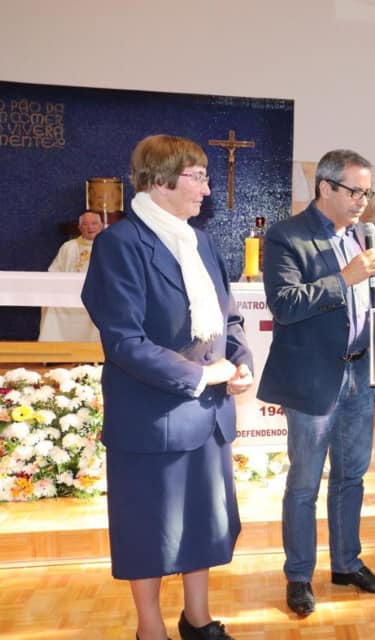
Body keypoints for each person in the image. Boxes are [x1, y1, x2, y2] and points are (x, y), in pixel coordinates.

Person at [81, 134, 254, 640]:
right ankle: (150, 628)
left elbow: (230, 318)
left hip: (207, 417)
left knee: (202, 523)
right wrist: (200, 375)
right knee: (148, 531)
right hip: (151, 416)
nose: (206, 189)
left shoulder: (200, 242)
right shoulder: (120, 245)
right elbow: (124, 342)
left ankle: (197, 619)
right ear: (160, 180)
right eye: (197, 177)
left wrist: (239, 362)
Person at [257, 149, 375, 617]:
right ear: (325, 188)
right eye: (355, 191)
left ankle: (347, 564)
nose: (362, 202)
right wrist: (343, 277)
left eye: (367, 192)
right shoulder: (287, 236)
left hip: (359, 374)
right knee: (305, 483)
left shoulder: (356, 235)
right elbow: (285, 304)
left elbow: (366, 295)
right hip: (313, 378)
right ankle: (299, 575)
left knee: (351, 476)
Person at [38, 211, 104, 341]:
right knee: (51, 305)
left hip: (97, 294)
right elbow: (54, 271)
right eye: (85, 224)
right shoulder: (68, 247)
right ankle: (54, 346)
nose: (90, 227)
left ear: (101, 226)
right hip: (69, 294)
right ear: (79, 227)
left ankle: (95, 349)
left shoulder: (110, 246)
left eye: (94, 223)